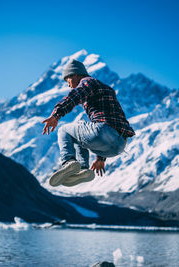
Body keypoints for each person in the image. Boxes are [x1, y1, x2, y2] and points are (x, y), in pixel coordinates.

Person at [42, 59, 135, 187]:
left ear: (75, 74)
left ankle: (68, 162)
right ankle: (82, 170)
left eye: (67, 80)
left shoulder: (87, 82)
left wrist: (56, 115)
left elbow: (74, 96)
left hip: (103, 131)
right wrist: (100, 158)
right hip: (119, 145)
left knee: (64, 130)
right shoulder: (107, 90)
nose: (68, 85)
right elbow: (113, 122)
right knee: (80, 134)